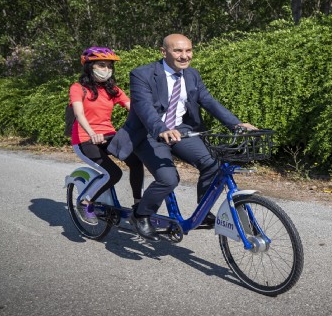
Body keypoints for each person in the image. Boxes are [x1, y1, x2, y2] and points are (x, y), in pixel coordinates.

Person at [108, 34, 256, 241]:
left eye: (188, 50)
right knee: (168, 179)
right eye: (178, 51)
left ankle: (202, 211)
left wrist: (236, 124)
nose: (184, 56)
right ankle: (140, 214)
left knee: (212, 165)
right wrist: (161, 128)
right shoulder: (142, 74)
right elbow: (143, 107)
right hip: (149, 133)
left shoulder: (192, 75)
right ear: (163, 52)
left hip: (181, 130)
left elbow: (208, 101)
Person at [70, 46, 144, 224]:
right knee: (114, 173)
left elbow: (135, 108)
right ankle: (85, 201)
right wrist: (92, 133)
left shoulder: (113, 90)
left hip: (109, 136)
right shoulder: (78, 88)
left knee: (136, 162)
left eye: (109, 66)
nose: (106, 70)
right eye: (101, 65)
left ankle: (138, 207)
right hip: (85, 138)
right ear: (89, 67)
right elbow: (79, 114)